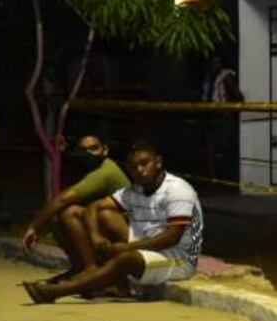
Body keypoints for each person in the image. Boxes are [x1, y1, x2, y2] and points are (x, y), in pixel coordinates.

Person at [21, 139, 203, 304]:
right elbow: (95, 208)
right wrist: (95, 237)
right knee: (105, 215)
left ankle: (56, 292)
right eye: (133, 166)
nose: (139, 170)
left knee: (125, 258)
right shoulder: (135, 190)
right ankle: (103, 277)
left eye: (144, 164)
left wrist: (127, 248)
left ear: (158, 162)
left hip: (178, 259)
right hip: (147, 246)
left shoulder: (178, 190)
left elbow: (172, 238)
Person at [20, 135, 130, 280]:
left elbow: (62, 199)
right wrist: (63, 151)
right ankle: (79, 267)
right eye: (83, 150)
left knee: (69, 212)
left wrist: (34, 227)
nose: (88, 153)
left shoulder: (105, 172)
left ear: (105, 150)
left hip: (126, 232)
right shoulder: (91, 168)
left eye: (93, 148)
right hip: (107, 228)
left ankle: (91, 269)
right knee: (55, 219)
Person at [202, 54, 242, 180]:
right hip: (213, 115)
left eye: (217, 62)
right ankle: (214, 176)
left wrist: (229, 108)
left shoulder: (226, 76)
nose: (215, 65)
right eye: (213, 62)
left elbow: (237, 95)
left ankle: (223, 176)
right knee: (212, 147)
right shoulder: (211, 78)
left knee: (223, 146)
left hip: (223, 115)